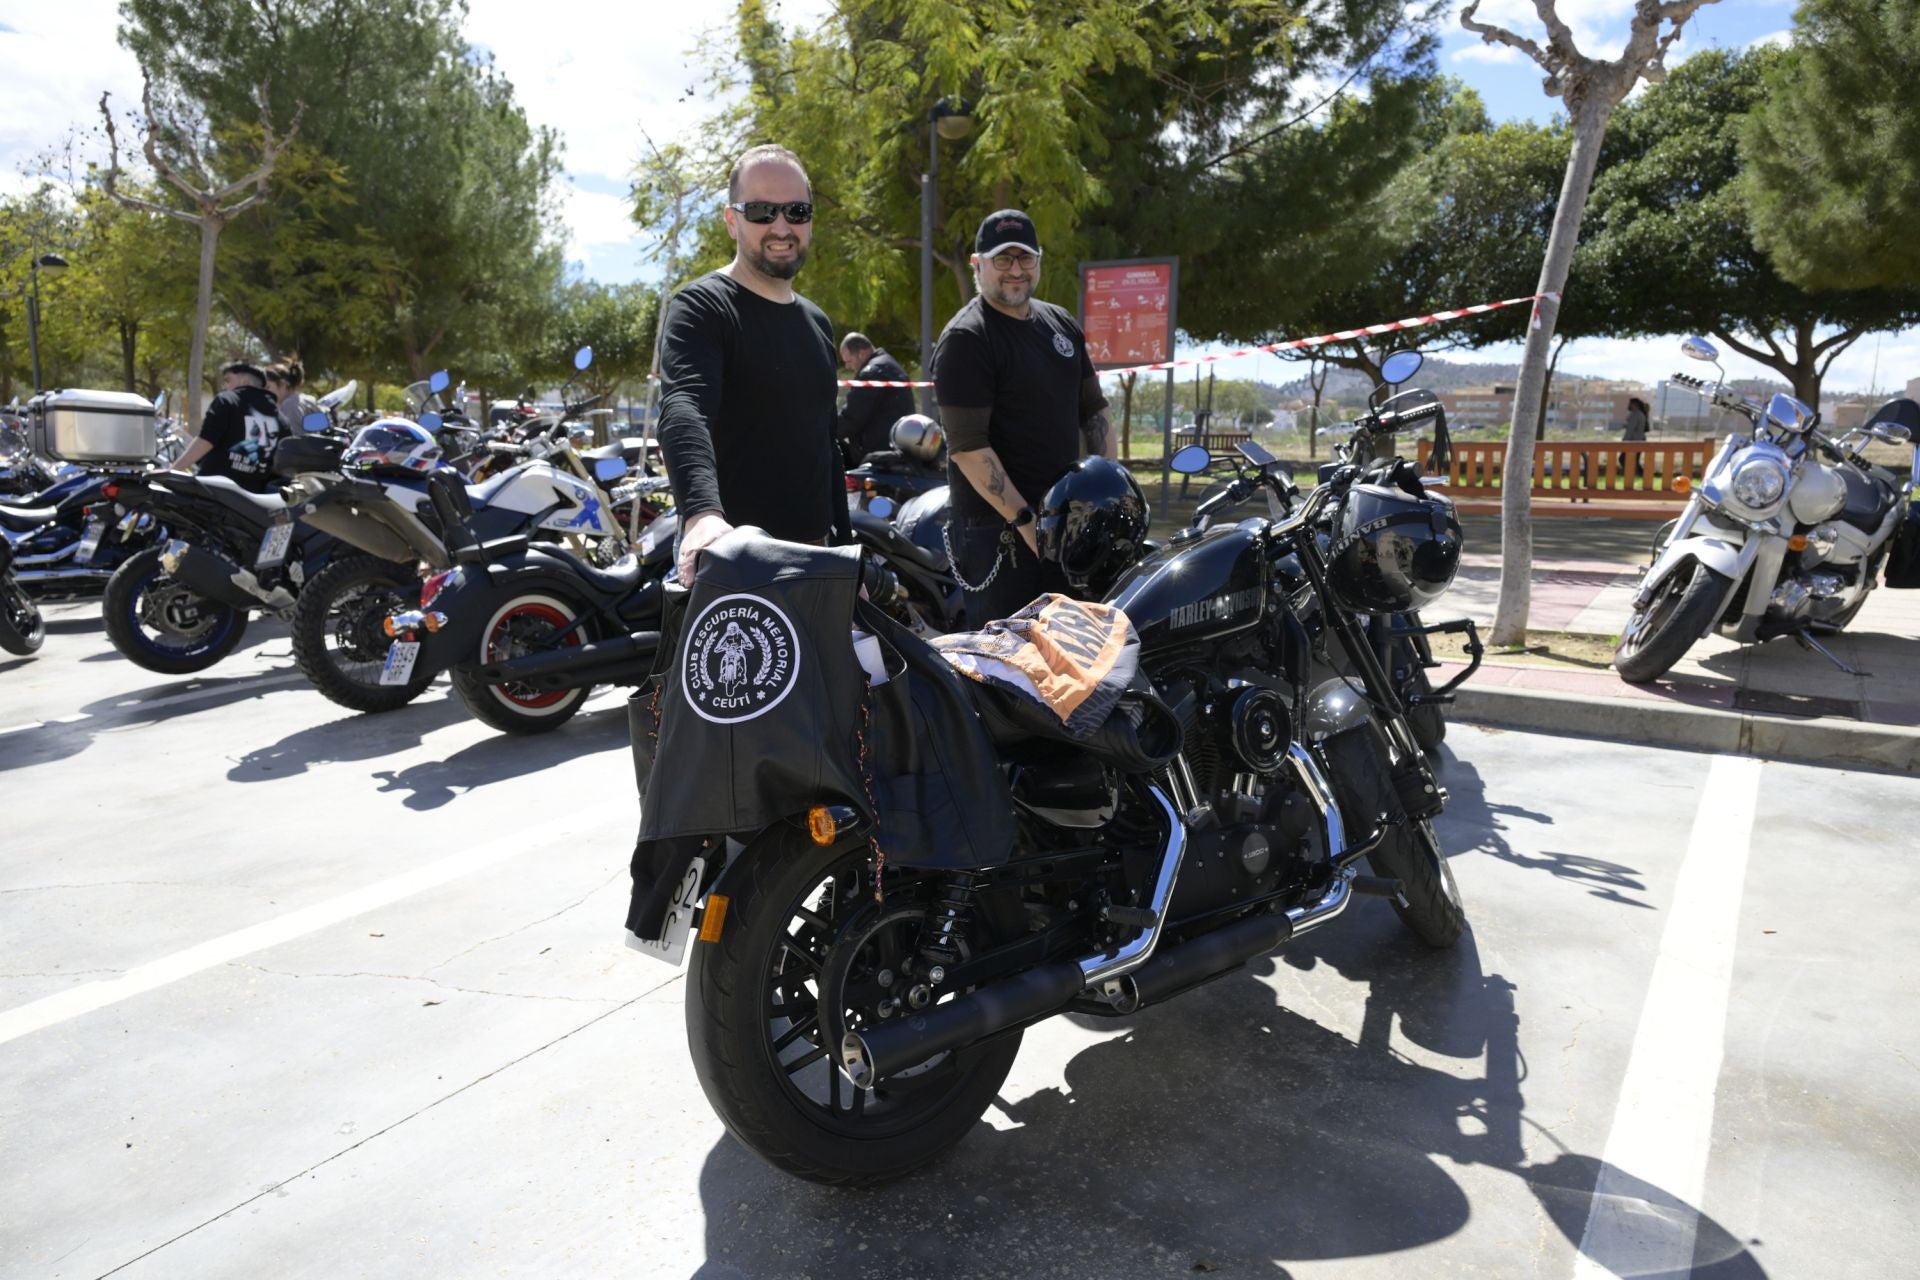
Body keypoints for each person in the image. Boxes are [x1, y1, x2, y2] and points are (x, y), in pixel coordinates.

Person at [656, 143, 849, 583]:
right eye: (762, 211)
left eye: (796, 211)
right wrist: (702, 515)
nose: (781, 227)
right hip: (731, 565)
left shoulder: (817, 321)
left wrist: (844, 556)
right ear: (731, 220)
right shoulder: (702, 307)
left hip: (814, 565)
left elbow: (825, 449)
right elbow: (684, 408)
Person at [933, 209, 1113, 627]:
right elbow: (968, 447)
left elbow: (1094, 409)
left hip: (1066, 525)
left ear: (1038, 260)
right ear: (978, 264)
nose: (1015, 270)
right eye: (1002, 259)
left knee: (1072, 648)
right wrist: (1031, 526)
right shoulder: (967, 338)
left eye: (1024, 258)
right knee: (1010, 659)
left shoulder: (1060, 324)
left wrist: (1105, 489)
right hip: (999, 535)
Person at [169, 361, 285, 491]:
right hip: (254, 497)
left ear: (245, 381)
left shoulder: (227, 400)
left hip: (213, 491)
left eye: (228, 380)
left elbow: (205, 441)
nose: (225, 386)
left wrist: (172, 471)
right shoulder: (282, 419)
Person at [836, 332, 914, 462]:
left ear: (861, 353)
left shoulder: (871, 373)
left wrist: (826, 432)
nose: (847, 366)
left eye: (849, 361)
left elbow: (852, 417)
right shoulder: (888, 363)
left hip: (877, 454)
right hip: (895, 447)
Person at [264, 357, 321, 434]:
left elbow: (294, 439)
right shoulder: (308, 399)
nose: (265, 391)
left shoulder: (289, 405)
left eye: (268, 387)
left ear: (283, 384)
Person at [1620, 395, 1650, 483]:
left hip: (1633, 441)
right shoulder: (1640, 414)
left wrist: (1625, 441)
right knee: (1633, 460)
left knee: (1624, 459)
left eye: (1630, 404)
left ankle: (1637, 475)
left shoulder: (1635, 414)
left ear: (1634, 404)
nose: (1628, 406)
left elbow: (1630, 429)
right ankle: (1640, 475)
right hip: (1639, 440)